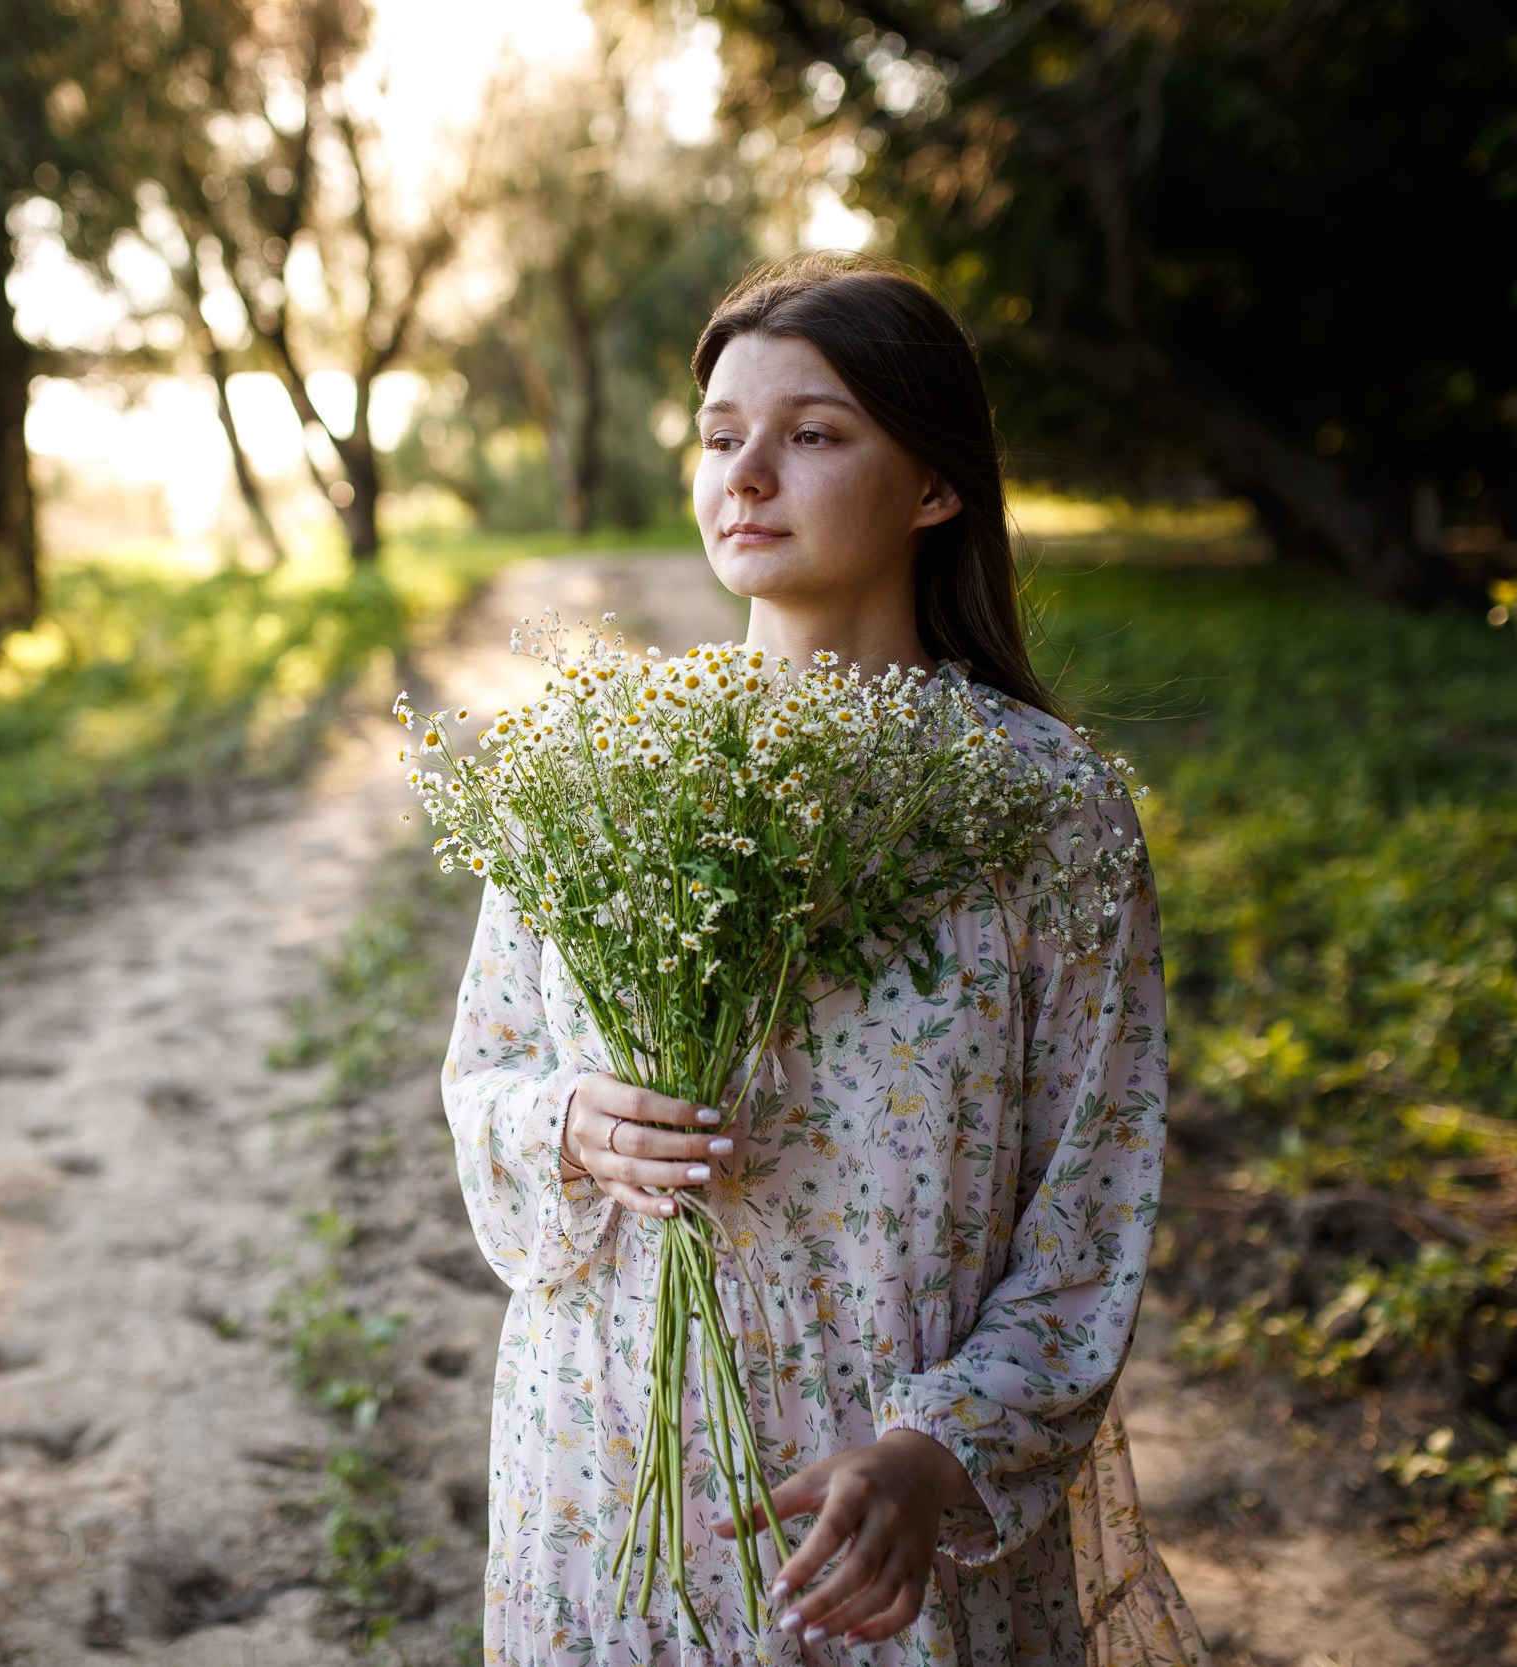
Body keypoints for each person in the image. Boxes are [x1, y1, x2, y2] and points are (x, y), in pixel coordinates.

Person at [442, 252, 1208, 1666]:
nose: (745, 477)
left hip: (883, 1505)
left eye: (811, 434)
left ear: (935, 486)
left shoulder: (1047, 809)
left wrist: (933, 1454)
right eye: (720, 436)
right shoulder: (596, 767)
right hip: (607, 1455)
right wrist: (568, 1125)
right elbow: (485, 1075)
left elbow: (1093, 1200)